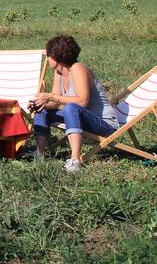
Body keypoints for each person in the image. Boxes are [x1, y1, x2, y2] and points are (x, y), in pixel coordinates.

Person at [28, 35, 119, 172]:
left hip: (104, 124)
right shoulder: (59, 73)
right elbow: (55, 103)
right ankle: (39, 154)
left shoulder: (78, 68)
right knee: (43, 110)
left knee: (71, 107)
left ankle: (76, 160)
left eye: (48, 55)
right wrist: (42, 103)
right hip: (81, 119)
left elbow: (82, 101)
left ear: (55, 56)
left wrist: (50, 96)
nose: (47, 59)